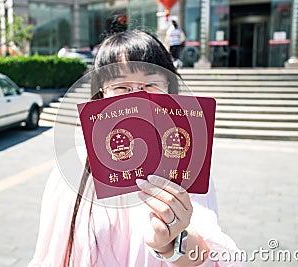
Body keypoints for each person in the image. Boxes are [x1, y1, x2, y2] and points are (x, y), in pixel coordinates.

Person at [28, 29, 244, 267]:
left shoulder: (188, 166)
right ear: (102, 95)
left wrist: (170, 244)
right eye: (121, 87)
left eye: (150, 84)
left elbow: (209, 253)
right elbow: (51, 254)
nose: (137, 98)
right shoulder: (73, 167)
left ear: (170, 89)